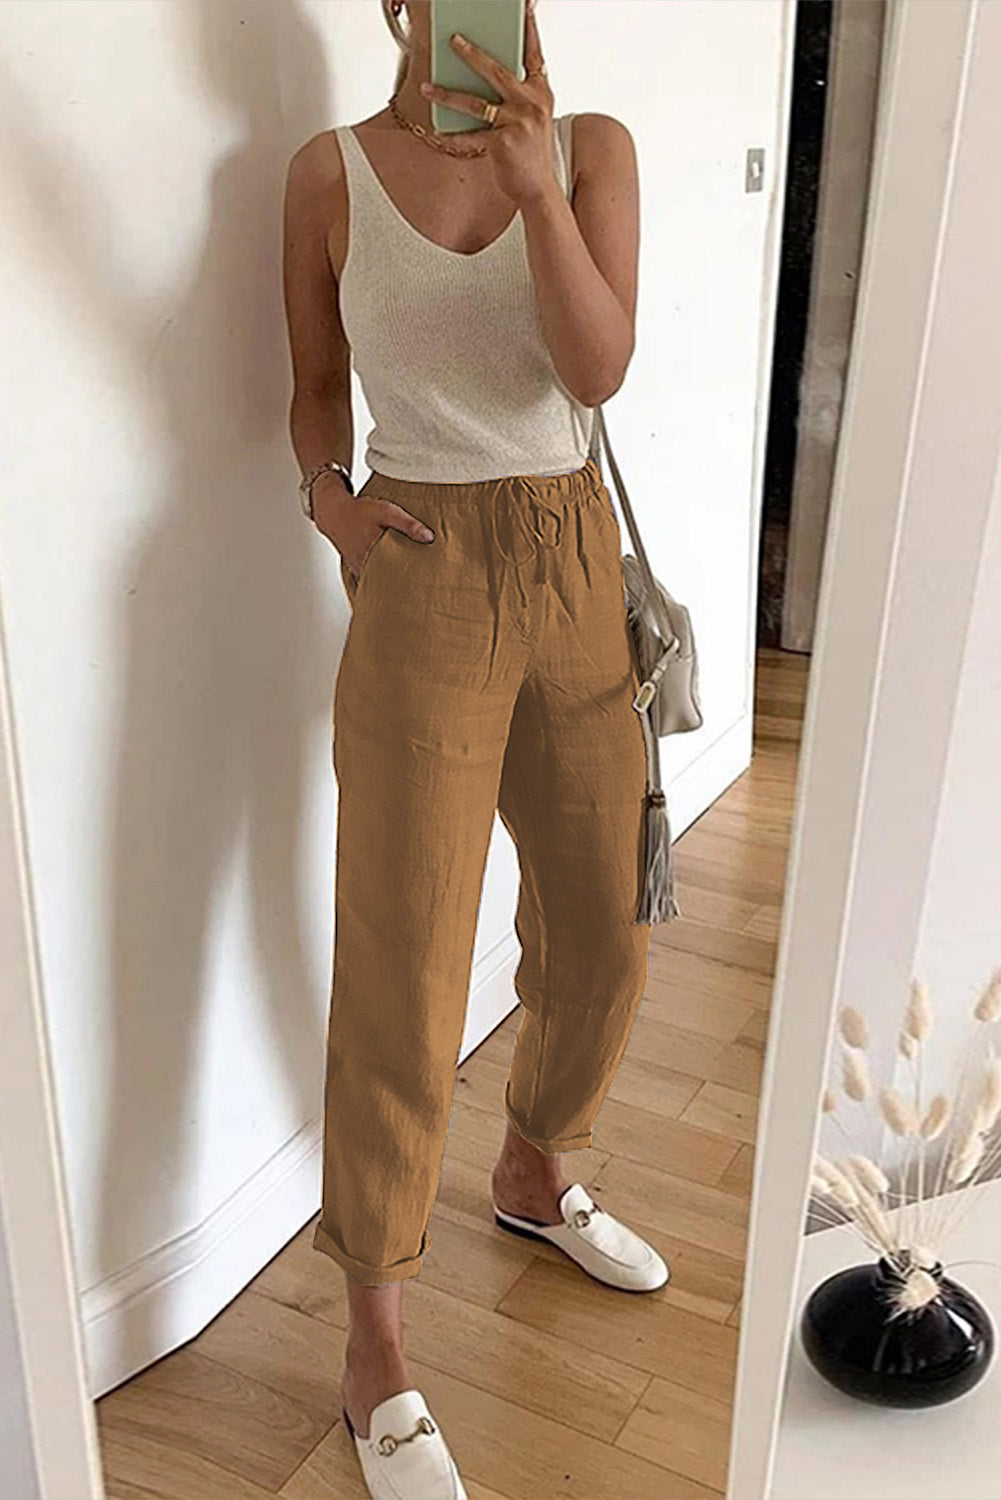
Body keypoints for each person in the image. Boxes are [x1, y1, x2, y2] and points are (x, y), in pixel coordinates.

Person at [282, 2, 667, 1495]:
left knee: (606, 912)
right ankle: (374, 1340)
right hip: (423, 563)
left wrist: (534, 190)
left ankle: (534, 1163)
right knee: (404, 953)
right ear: (399, 5)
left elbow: (598, 368)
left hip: (571, 549)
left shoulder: (591, 150)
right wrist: (330, 505)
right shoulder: (326, 174)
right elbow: (315, 385)